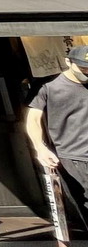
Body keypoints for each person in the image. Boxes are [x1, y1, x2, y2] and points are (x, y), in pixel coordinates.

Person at [25, 45, 88, 224]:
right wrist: (40, 147)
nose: (87, 71)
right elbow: (33, 120)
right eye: (82, 67)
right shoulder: (48, 86)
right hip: (73, 156)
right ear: (68, 62)